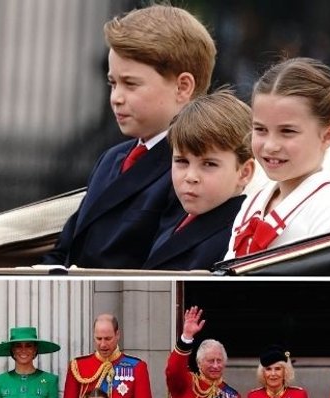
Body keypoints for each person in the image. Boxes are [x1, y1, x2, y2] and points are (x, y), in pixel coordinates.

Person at [40, 5, 214, 268]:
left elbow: (160, 268)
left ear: (182, 87)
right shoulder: (112, 159)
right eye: (113, 83)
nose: (116, 98)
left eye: (131, 84)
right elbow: (66, 248)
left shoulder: (192, 170)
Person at [224, 57, 330, 260]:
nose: (270, 146)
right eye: (260, 129)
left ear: (327, 135)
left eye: (287, 131)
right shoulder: (253, 202)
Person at [143, 90, 254, 270]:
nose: (191, 177)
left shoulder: (236, 236)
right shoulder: (176, 213)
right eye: (181, 161)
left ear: (244, 172)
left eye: (209, 164)